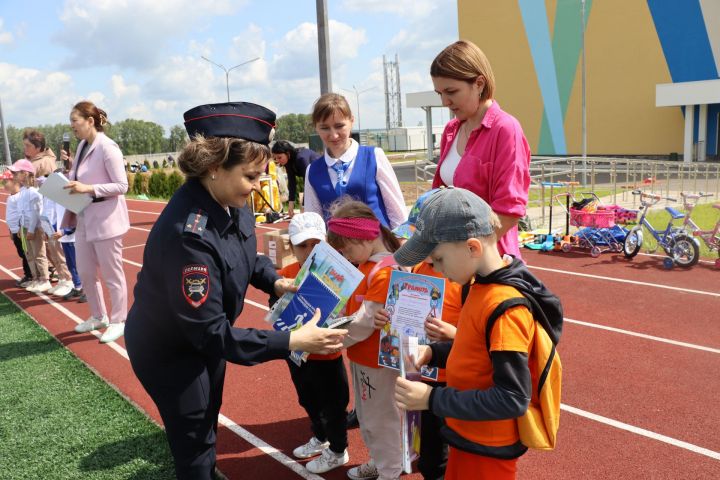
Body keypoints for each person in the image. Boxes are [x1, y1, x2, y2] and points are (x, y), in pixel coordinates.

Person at [123, 101, 348, 480]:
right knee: (195, 439)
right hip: (171, 351)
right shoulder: (187, 238)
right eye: (250, 176)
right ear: (213, 168)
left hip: (203, 337)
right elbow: (212, 334)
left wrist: (274, 279)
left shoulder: (232, 199)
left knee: (209, 418)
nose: (258, 185)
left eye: (261, 174)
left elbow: (246, 253)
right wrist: (293, 341)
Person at [392, 188, 562, 480]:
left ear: (472, 247)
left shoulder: (506, 309)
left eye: (439, 259)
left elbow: (511, 398)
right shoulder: (477, 284)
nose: (435, 268)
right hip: (467, 432)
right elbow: (474, 348)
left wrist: (432, 399)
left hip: (488, 450)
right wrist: (433, 352)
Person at [376, 188, 464, 480]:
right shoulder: (415, 267)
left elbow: (480, 333)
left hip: (455, 378)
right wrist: (388, 319)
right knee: (427, 444)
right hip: (423, 371)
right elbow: (402, 307)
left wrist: (453, 332)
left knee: (455, 442)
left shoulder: (464, 278)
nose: (416, 246)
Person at [430, 40, 531, 259]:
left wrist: (466, 255)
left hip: (488, 262)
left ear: (479, 83)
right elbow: (437, 197)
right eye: (439, 93)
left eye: (451, 91)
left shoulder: (505, 129)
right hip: (453, 263)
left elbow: (508, 212)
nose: (445, 102)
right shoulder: (451, 130)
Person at [325, 199, 404, 480]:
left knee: (380, 419)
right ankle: (382, 462)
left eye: (346, 248)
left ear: (364, 237)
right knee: (371, 417)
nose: (345, 255)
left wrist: (328, 337)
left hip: (377, 362)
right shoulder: (369, 265)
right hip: (363, 358)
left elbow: (364, 322)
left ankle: (389, 470)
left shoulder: (384, 271)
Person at [271, 212, 350, 474]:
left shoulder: (339, 276)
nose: (309, 251)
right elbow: (276, 310)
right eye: (302, 245)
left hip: (327, 356)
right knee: (307, 400)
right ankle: (320, 436)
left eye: (316, 244)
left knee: (334, 405)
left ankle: (338, 449)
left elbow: (349, 311)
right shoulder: (286, 274)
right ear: (291, 246)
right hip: (297, 354)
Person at [60, 101, 130, 344]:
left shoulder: (108, 148)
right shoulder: (81, 146)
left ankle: (119, 320)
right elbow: (76, 177)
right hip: (84, 217)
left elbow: (122, 186)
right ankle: (98, 316)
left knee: (113, 274)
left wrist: (88, 187)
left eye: (75, 121)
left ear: (90, 121)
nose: (72, 126)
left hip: (106, 219)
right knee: (87, 272)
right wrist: (60, 181)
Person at [303, 93, 406, 229]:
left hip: (380, 247)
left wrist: (401, 245)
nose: (333, 135)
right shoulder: (312, 170)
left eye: (339, 126)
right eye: (325, 128)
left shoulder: (374, 156)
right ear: (316, 127)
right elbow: (313, 224)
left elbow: (398, 213)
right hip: (337, 249)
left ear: (351, 121)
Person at [271, 140, 321, 218]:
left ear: (288, 153)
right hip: (315, 179)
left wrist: (304, 205)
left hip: (322, 175)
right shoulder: (288, 162)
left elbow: (307, 183)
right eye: (275, 158)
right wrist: (291, 204)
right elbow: (292, 183)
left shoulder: (301, 159)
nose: (277, 161)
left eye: (279, 157)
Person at [3, 170, 33, 287]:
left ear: (15, 181)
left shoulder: (20, 196)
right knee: (22, 253)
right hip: (15, 231)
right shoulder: (11, 197)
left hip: (21, 231)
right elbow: (11, 215)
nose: (4, 184)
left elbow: (22, 214)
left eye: (6, 181)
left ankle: (29, 275)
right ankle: (30, 274)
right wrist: (11, 231)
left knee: (26, 253)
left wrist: (20, 228)